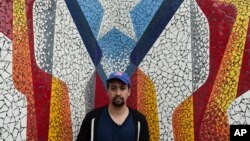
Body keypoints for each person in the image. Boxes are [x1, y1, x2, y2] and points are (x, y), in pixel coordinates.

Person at [77, 71, 149, 141]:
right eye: (113, 88)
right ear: (107, 91)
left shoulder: (139, 120)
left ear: (129, 91)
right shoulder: (92, 119)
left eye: (122, 88)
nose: (118, 93)